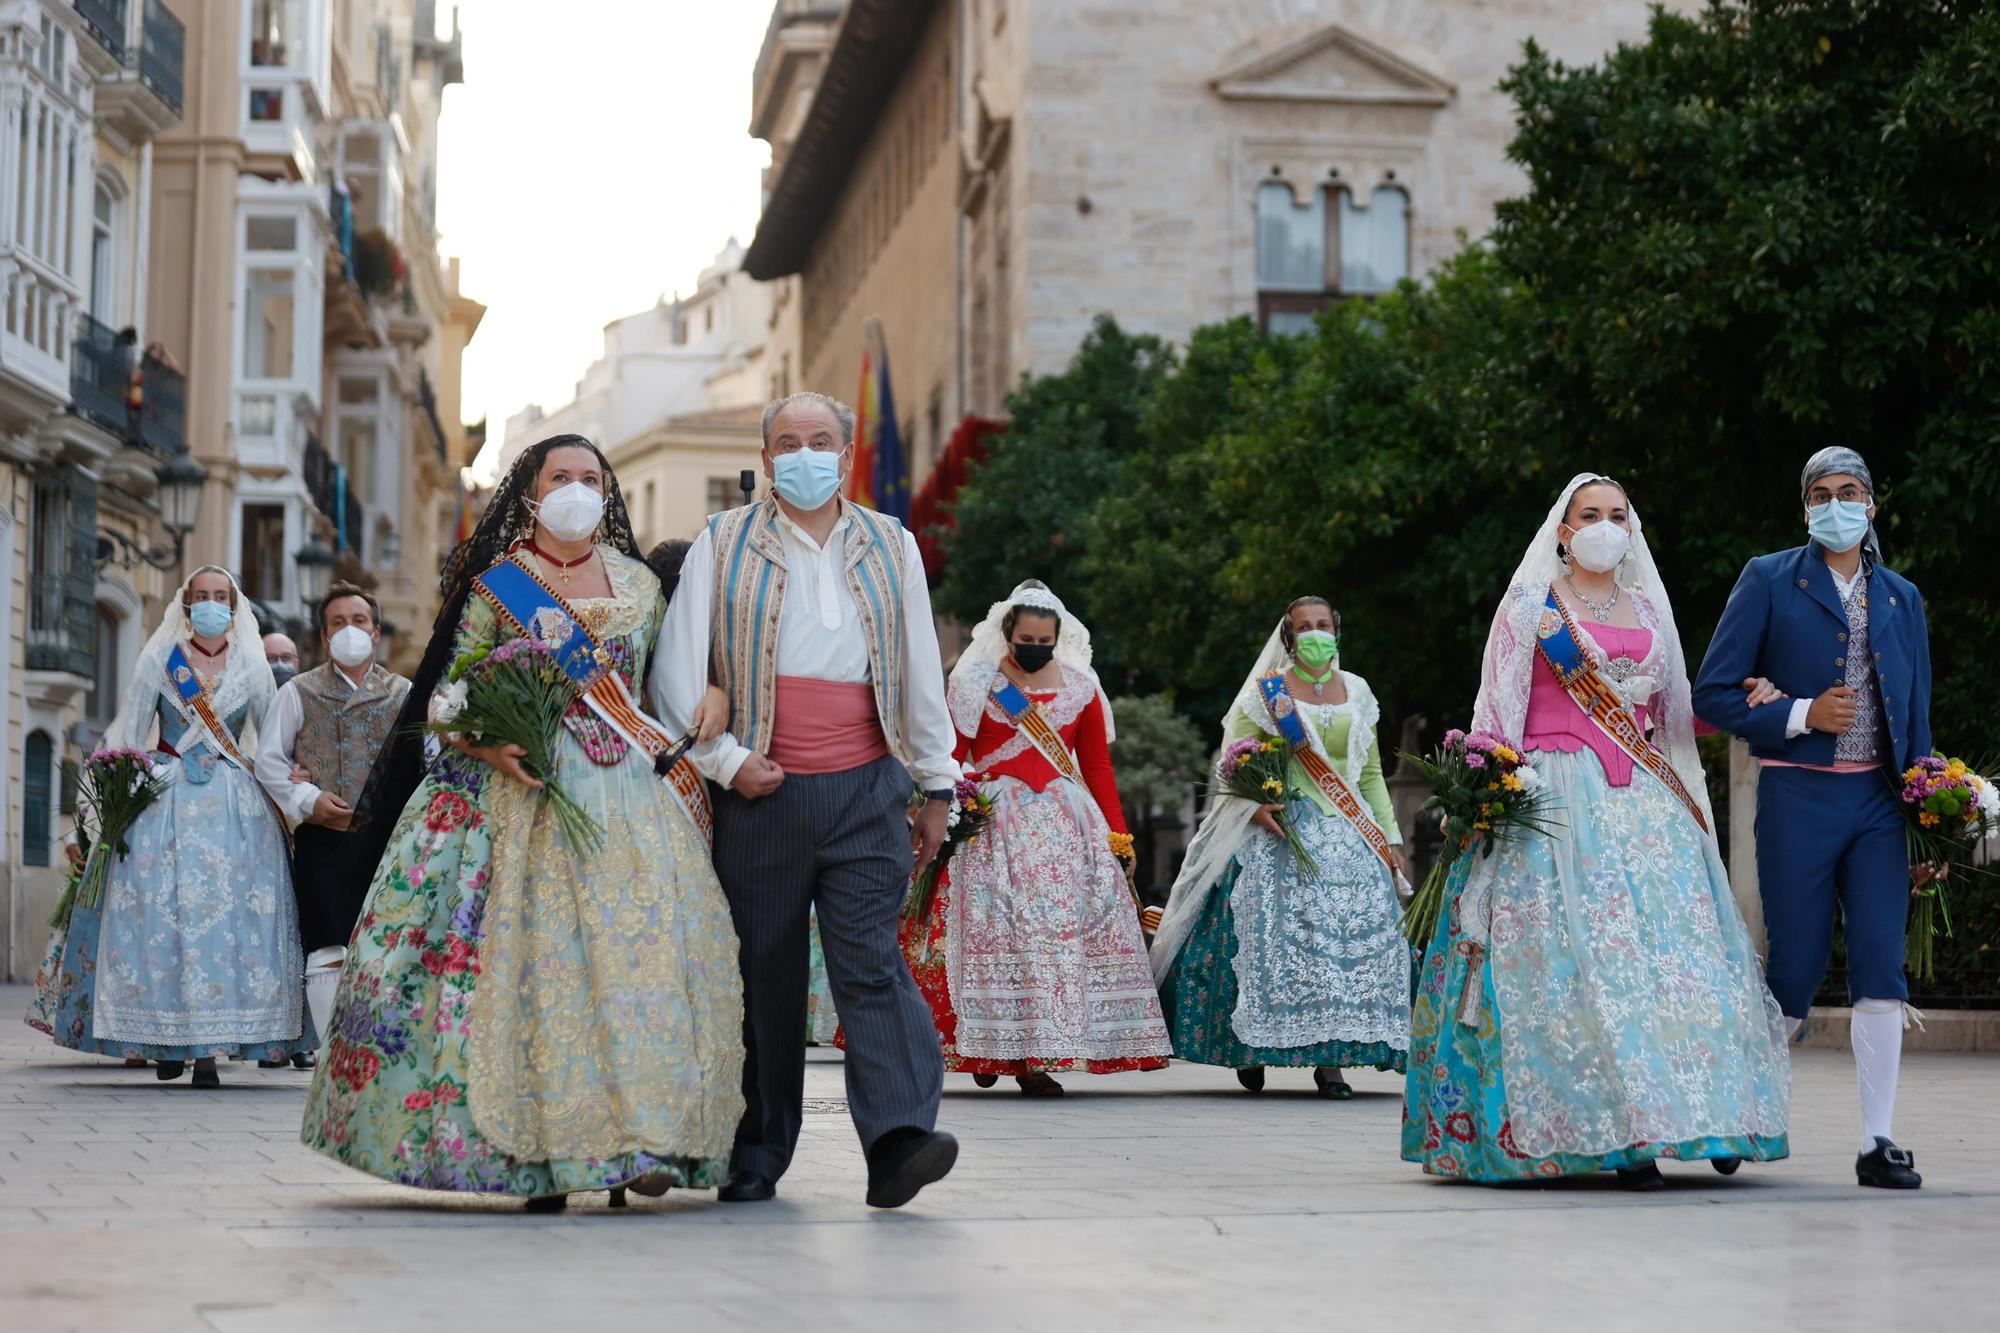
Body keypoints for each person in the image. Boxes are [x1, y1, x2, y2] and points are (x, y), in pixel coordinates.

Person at [300, 435, 744, 1209]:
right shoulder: (498, 586)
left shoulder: (641, 586)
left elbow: (671, 687)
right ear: (531, 494)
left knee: (638, 973)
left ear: (607, 495)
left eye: (590, 479)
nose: (577, 489)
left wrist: (720, 699)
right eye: (560, 477)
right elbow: (446, 694)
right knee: (532, 974)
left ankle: (638, 1138)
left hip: (627, 799)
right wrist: (489, 743)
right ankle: (531, 1153)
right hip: (511, 797)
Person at [1403, 474, 1791, 1186]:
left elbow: (1676, 714)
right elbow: (1497, 710)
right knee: (1579, 965)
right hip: (1555, 799)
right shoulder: (1531, 608)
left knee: (1675, 961)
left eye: (1618, 515)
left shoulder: (1647, 607)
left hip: (1645, 802)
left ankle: (1703, 1112)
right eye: (1591, 514)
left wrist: (1742, 697)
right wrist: (1489, 797)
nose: (1606, 526)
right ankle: (1617, 1131)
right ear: (1563, 528)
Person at [655, 390, 960, 1209]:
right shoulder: (723, 542)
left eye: (819, 438)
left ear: (845, 452)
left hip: (869, 786)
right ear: (765, 459)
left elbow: (920, 670)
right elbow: (677, 672)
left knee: (869, 957)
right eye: (787, 440)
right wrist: (724, 761)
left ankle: (899, 1137)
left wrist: (938, 781)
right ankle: (755, 1149)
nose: (803, 451)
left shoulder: (891, 543)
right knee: (765, 971)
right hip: (762, 790)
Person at [1693, 447, 1932, 1190]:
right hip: (1798, 794)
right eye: (1822, 493)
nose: (1837, 503)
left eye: (1850, 491)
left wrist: (1927, 822)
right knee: (1793, 969)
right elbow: (1712, 693)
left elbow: (1917, 716)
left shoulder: (1902, 597)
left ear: (1872, 504)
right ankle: (1741, 1109)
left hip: (1879, 806)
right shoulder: (1769, 578)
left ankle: (1877, 1139)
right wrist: (1801, 712)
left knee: (1881, 965)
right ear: (1805, 509)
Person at [43, 566, 305, 1087]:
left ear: (233, 605)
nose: (211, 604)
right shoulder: (160, 661)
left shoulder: (253, 665)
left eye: (220, 596)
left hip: (237, 806)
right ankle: (166, 1039)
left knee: (228, 926)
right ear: (186, 605)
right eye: (201, 596)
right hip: (165, 802)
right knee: (162, 923)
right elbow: (126, 734)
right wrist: (99, 811)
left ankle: (210, 1047)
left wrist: (296, 784)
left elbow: (272, 739)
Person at [1152, 597, 1410, 1098]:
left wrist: (1391, 835)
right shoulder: (1267, 693)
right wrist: (1254, 806)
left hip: (1351, 834)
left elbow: (1372, 771)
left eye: (1323, 625)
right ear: (1289, 638)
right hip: (1282, 831)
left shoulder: (1357, 690)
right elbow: (1234, 761)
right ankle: (1252, 1052)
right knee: (1270, 943)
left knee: (1345, 949)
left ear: (1337, 630)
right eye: (1304, 627)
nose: (1315, 634)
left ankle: (1331, 1061)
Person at [920, 579, 1170, 1094]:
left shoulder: (1081, 687)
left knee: (1054, 940)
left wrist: (1119, 837)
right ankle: (989, 1045)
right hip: (994, 824)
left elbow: (1097, 766)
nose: (1034, 649)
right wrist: (947, 808)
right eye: (1025, 640)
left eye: (1044, 641)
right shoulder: (975, 682)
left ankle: (1034, 1057)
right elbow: (951, 753)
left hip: (1067, 825)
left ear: (1058, 637)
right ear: (1006, 634)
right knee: (999, 933)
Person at [254, 583, 411, 1069]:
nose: (350, 631)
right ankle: (334, 1050)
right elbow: (269, 761)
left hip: (386, 842)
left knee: (383, 941)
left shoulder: (404, 693)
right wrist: (308, 799)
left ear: (376, 632)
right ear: (324, 638)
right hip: (322, 838)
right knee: (326, 941)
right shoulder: (296, 692)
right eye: (338, 623)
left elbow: (423, 762)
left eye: (359, 621)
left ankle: (379, 1044)